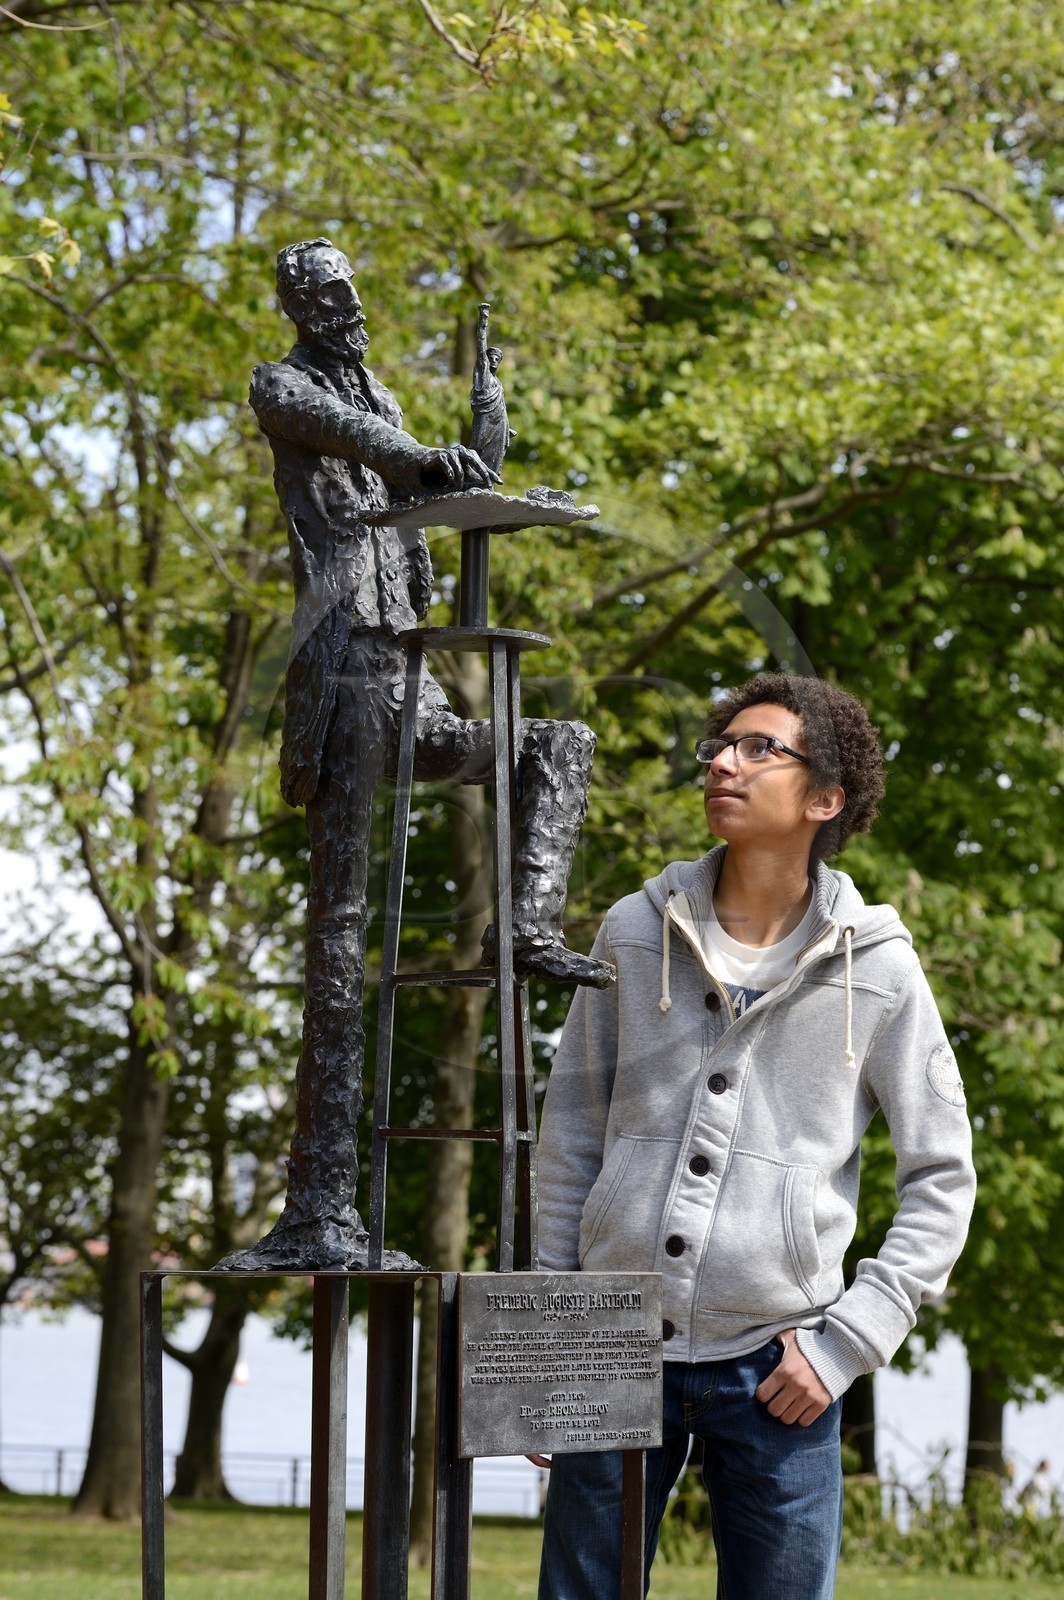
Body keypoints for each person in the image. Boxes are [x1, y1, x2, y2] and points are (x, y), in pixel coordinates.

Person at [535, 672, 977, 1599]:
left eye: (758, 749)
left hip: (786, 1364)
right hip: (616, 1344)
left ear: (825, 798)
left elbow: (943, 1176)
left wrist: (848, 1343)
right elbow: (569, 1137)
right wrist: (558, 1336)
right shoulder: (631, 931)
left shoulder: (884, 970)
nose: (723, 763)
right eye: (720, 746)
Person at [220, 239, 612, 1274]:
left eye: (356, 294)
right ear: (302, 305)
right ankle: (320, 1209)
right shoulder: (284, 386)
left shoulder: (378, 388)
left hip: (412, 672)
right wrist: (429, 454)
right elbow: (372, 447)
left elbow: (418, 491)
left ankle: (522, 928)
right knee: (341, 930)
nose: (352, 310)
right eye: (334, 296)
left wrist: (482, 441)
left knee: (553, 743)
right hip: (342, 664)